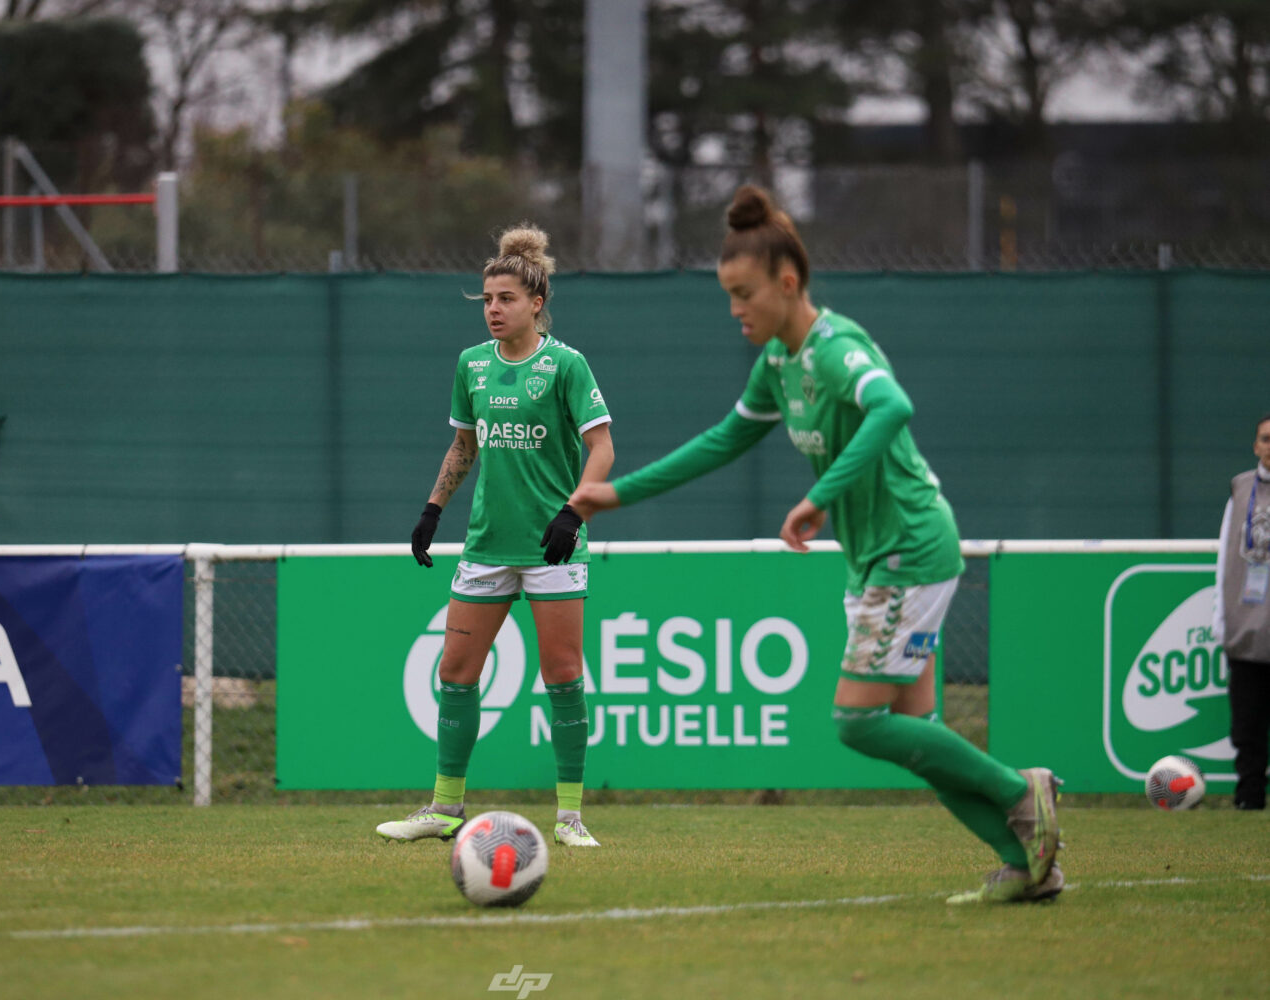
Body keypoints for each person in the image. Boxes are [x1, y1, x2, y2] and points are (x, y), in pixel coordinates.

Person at [568, 185, 1062, 903]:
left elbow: (893, 406)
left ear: (787, 282)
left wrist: (820, 496)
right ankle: (1026, 864)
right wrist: (618, 494)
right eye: (728, 296)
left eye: (743, 295)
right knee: (916, 731)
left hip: (908, 548)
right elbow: (725, 439)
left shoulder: (834, 350)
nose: (734, 310)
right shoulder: (779, 362)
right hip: (879, 556)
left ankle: (1022, 792)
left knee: (857, 722)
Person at [377, 224, 615, 848]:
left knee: (563, 676)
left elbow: (602, 448)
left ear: (537, 302)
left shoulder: (565, 365)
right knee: (455, 672)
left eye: (506, 299)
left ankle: (570, 818)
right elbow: (464, 446)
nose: (493, 309)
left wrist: (574, 514)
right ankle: (444, 809)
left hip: (552, 548)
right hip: (485, 546)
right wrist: (432, 509)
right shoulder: (472, 365)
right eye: (487, 299)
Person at [1212, 414, 1270, 811]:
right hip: (1247, 625)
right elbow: (1224, 556)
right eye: (1266, 439)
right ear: (1255, 446)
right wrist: (1220, 614)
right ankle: (1249, 795)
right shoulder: (1240, 488)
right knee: (1247, 722)